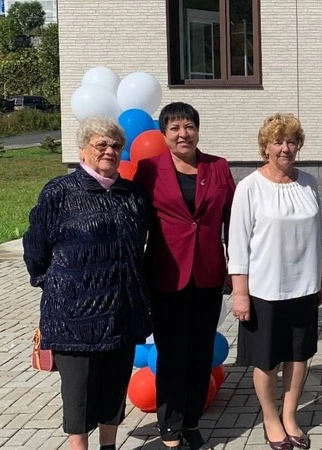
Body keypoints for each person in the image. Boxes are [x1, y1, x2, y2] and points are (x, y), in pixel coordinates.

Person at [23, 116, 151, 450]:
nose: (110, 151)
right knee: (78, 394)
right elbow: (35, 247)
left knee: (113, 389)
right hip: (74, 317)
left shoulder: (132, 195)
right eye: (101, 144)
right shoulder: (60, 192)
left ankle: (108, 446)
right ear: (83, 150)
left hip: (120, 312)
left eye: (116, 146)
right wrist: (56, 284)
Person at [133, 102, 236, 450]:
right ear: (163, 134)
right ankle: (170, 427)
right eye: (175, 128)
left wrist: (235, 268)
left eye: (189, 126)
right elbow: (136, 222)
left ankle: (192, 421)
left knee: (199, 353)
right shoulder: (149, 169)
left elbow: (233, 223)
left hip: (208, 275)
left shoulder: (218, 167)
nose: (183, 134)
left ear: (198, 131)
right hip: (166, 276)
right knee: (172, 355)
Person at [228, 114, 322, 450]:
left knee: (298, 355)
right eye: (278, 141)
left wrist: (320, 276)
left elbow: (317, 235)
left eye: (291, 141)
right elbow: (238, 243)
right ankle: (270, 419)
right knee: (266, 359)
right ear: (265, 147)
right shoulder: (250, 187)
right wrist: (240, 292)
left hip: (304, 286)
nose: (285, 148)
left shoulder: (309, 183)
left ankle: (290, 416)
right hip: (264, 290)